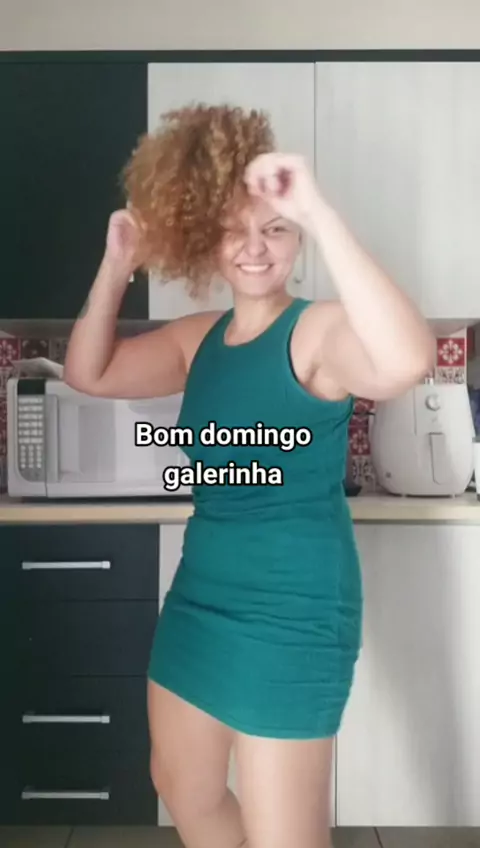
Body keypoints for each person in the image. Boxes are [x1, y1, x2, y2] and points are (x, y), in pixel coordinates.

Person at [64, 103, 436, 848]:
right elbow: (88, 373)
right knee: (183, 787)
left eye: (276, 228)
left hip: (294, 612)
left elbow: (406, 360)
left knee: (284, 837)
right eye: (236, 230)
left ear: (297, 240)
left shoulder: (317, 331)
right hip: (201, 599)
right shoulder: (198, 339)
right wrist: (116, 266)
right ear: (209, 240)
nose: (256, 248)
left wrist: (317, 207)